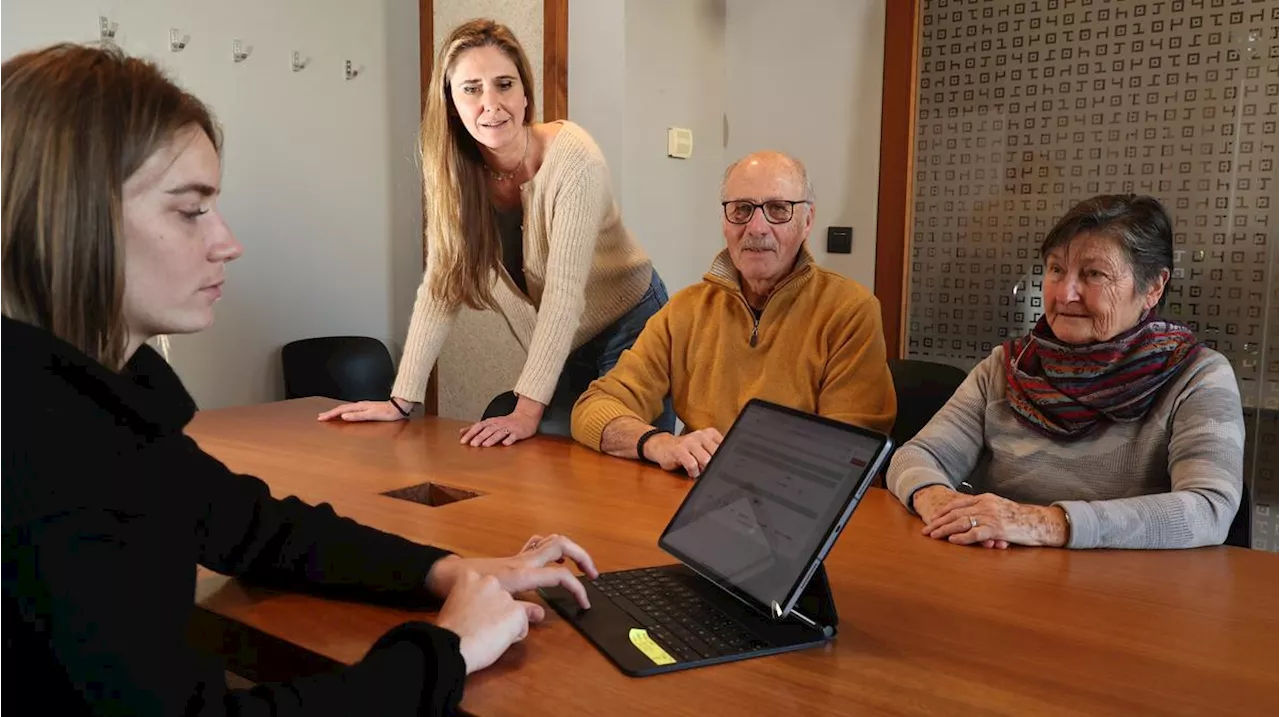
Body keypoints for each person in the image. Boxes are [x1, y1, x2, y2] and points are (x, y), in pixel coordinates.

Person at [0, 43, 598, 716]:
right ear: (71, 216)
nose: (228, 241)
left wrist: (445, 567)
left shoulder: (99, 406)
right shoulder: (40, 465)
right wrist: (446, 650)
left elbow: (257, 526)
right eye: (191, 209)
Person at [319, 19, 675, 445]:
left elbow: (563, 296)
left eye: (504, 84)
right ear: (451, 102)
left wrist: (525, 412)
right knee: (557, 473)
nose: (491, 104)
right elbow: (440, 289)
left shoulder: (575, 160)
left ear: (525, 94)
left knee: (623, 462)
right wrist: (401, 401)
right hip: (565, 344)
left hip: (631, 323)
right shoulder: (456, 178)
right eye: (471, 89)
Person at [887, 194, 1244, 550]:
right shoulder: (1008, 366)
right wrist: (938, 501)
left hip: (1124, 590)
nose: (1065, 293)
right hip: (1000, 576)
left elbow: (1208, 509)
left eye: (1093, 274)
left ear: (1153, 287)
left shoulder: (1196, 377)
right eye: (1057, 269)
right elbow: (915, 456)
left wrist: (1046, 523)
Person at [570, 151, 897, 478]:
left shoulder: (849, 310)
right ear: (725, 222)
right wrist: (656, 443)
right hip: (696, 499)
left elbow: (848, 453)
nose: (757, 228)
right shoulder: (687, 310)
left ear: (807, 221)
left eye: (778, 209)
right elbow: (594, 408)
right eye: (741, 209)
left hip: (795, 507)